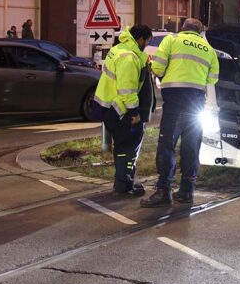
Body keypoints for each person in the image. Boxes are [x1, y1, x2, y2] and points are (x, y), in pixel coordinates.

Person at [141, 18, 219, 207]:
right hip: (196, 103)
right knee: (191, 147)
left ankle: (163, 191)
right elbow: (213, 79)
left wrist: (165, 79)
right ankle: (186, 191)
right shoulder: (209, 49)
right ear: (200, 32)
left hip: (175, 101)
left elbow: (157, 65)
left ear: (182, 28)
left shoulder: (172, 40)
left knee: (167, 145)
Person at [93, 25, 153, 196]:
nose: (146, 45)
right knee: (128, 149)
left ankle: (123, 183)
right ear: (140, 39)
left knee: (122, 148)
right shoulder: (129, 58)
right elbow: (127, 91)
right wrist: (134, 113)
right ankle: (125, 186)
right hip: (122, 111)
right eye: (147, 41)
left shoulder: (119, 49)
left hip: (111, 109)